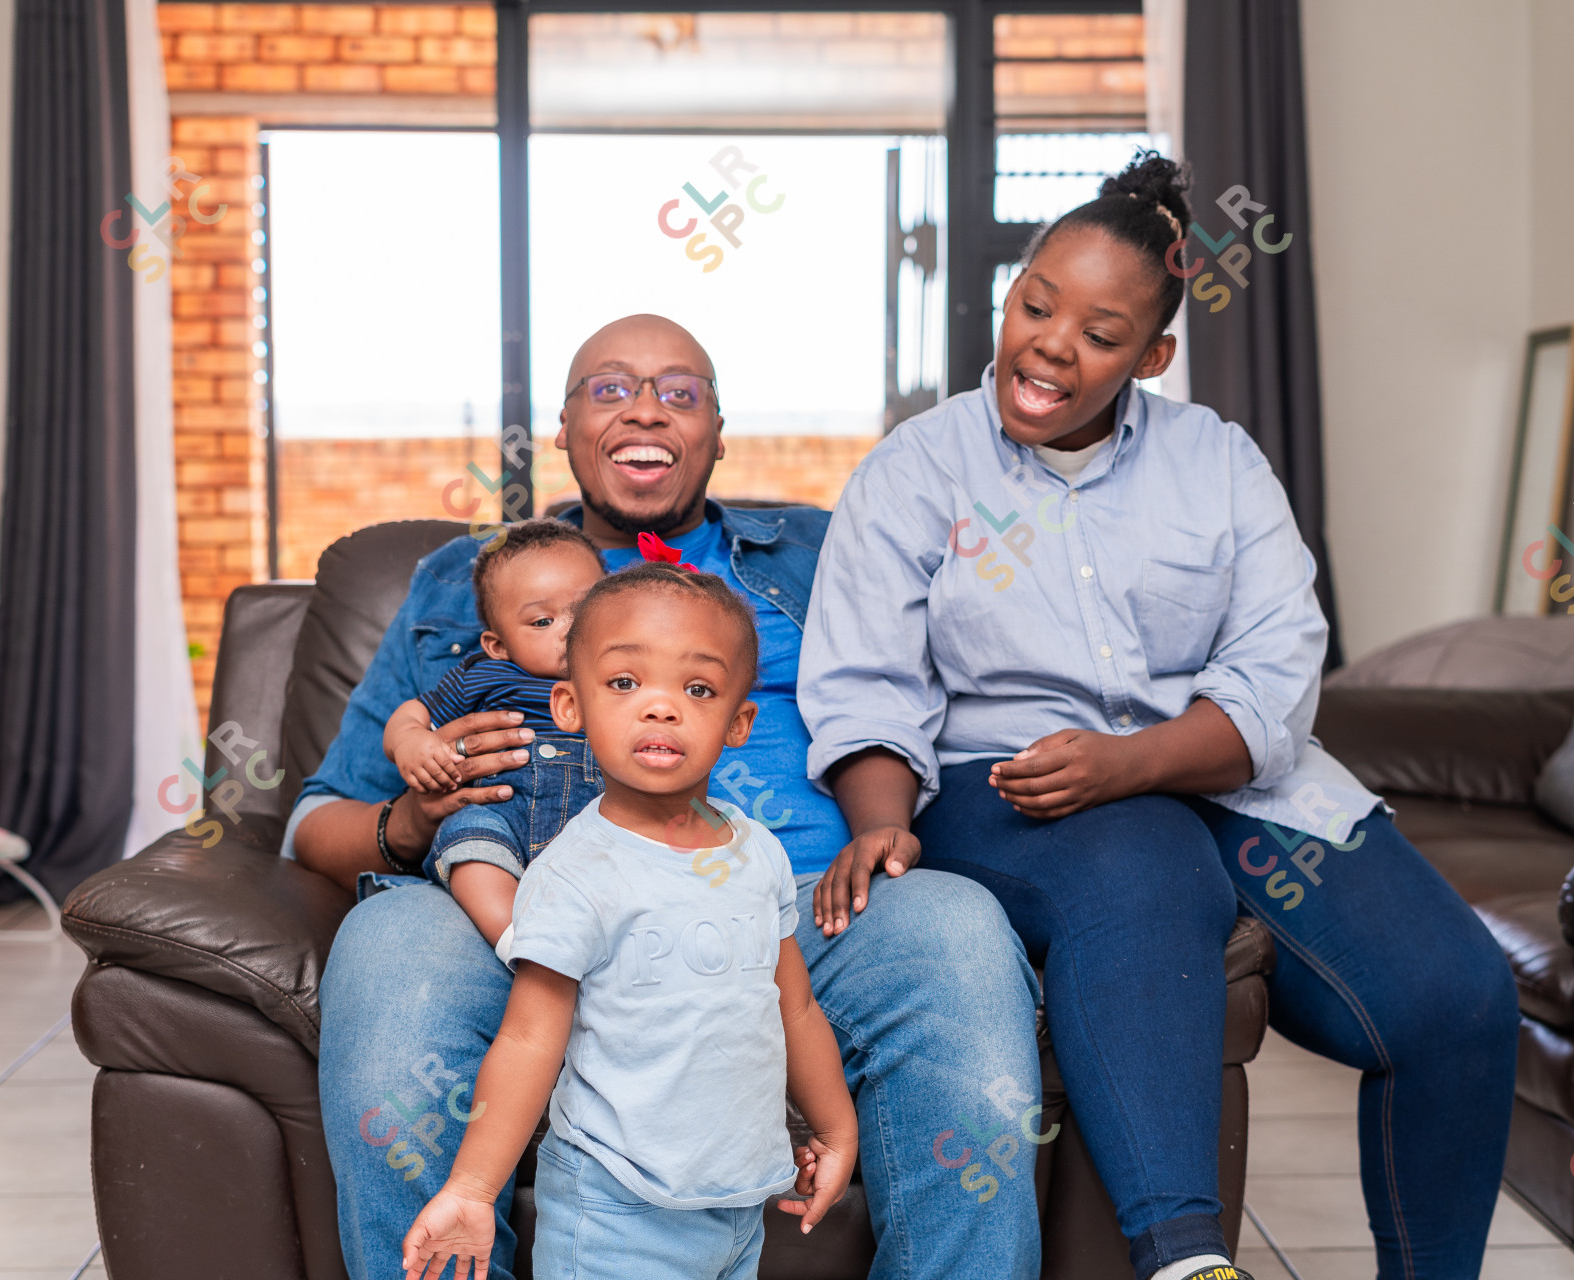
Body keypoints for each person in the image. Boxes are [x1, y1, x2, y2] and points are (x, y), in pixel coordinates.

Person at [799, 153, 1518, 1280]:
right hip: (1012, 788)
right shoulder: (916, 470)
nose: (1050, 344)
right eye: (1037, 304)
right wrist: (881, 816)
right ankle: (1185, 1257)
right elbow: (865, 684)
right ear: (1012, 294)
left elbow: (1280, 662)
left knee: (1458, 998)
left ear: (1152, 356)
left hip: (1232, 774)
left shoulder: (1218, 461)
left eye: (1099, 331)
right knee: (1146, 861)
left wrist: (1137, 759)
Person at [289, 313, 1045, 1280]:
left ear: (719, 432)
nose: (645, 407)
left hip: (790, 914)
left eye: (679, 393)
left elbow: (944, 687)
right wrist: (416, 818)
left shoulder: (817, 554)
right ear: (560, 430)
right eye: (609, 388)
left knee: (953, 925)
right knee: (392, 945)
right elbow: (316, 820)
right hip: (518, 924)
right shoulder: (466, 579)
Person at [401, 563, 857, 1280]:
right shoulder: (577, 872)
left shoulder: (758, 853)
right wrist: (472, 1189)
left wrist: (835, 1130)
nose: (660, 707)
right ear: (570, 706)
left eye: (697, 688)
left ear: (739, 723)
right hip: (615, 1213)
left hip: (737, 1204)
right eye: (624, 683)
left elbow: (793, 1007)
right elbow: (527, 1041)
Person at [383, 519, 607, 958]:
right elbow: (412, 714)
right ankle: (519, 944)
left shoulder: (624, 676)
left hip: (600, 825)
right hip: (504, 813)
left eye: (585, 610)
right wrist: (411, 741)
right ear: (498, 645)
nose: (568, 629)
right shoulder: (485, 674)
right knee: (471, 850)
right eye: (542, 621)